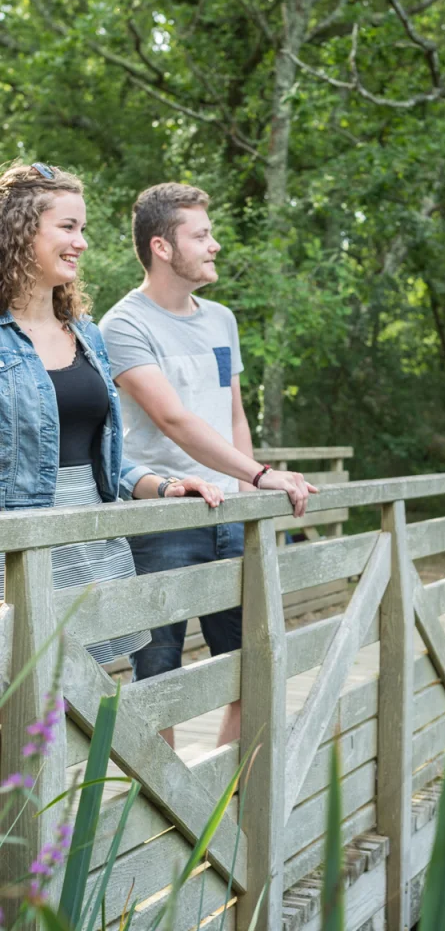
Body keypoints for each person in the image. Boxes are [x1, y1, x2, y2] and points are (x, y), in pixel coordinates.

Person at [99, 182, 317, 747]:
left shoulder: (221, 319)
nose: (215, 245)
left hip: (231, 512)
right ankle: (161, 817)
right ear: (162, 247)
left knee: (252, 660)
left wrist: (248, 480)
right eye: (201, 235)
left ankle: (220, 800)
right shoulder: (123, 325)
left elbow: (231, 414)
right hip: (163, 517)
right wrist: (263, 476)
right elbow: (174, 421)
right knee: (159, 672)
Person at [0, 163, 223, 666]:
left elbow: (97, 452)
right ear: (19, 230)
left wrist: (160, 484)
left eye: (83, 229)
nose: (81, 242)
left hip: (90, 545)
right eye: (67, 227)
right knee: (18, 713)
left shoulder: (85, 333)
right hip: (14, 553)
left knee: (74, 710)